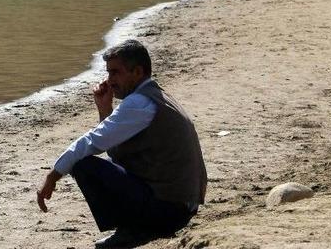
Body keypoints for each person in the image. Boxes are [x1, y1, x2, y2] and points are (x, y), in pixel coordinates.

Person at [36, 40, 207, 249]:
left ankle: (132, 231)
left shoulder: (140, 103)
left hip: (170, 210)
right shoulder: (153, 96)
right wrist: (104, 109)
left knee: (84, 165)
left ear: (137, 72)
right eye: (108, 73)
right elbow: (114, 147)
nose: (110, 80)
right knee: (99, 162)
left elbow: (92, 142)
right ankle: (131, 228)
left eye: (115, 73)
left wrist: (52, 175)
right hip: (180, 204)